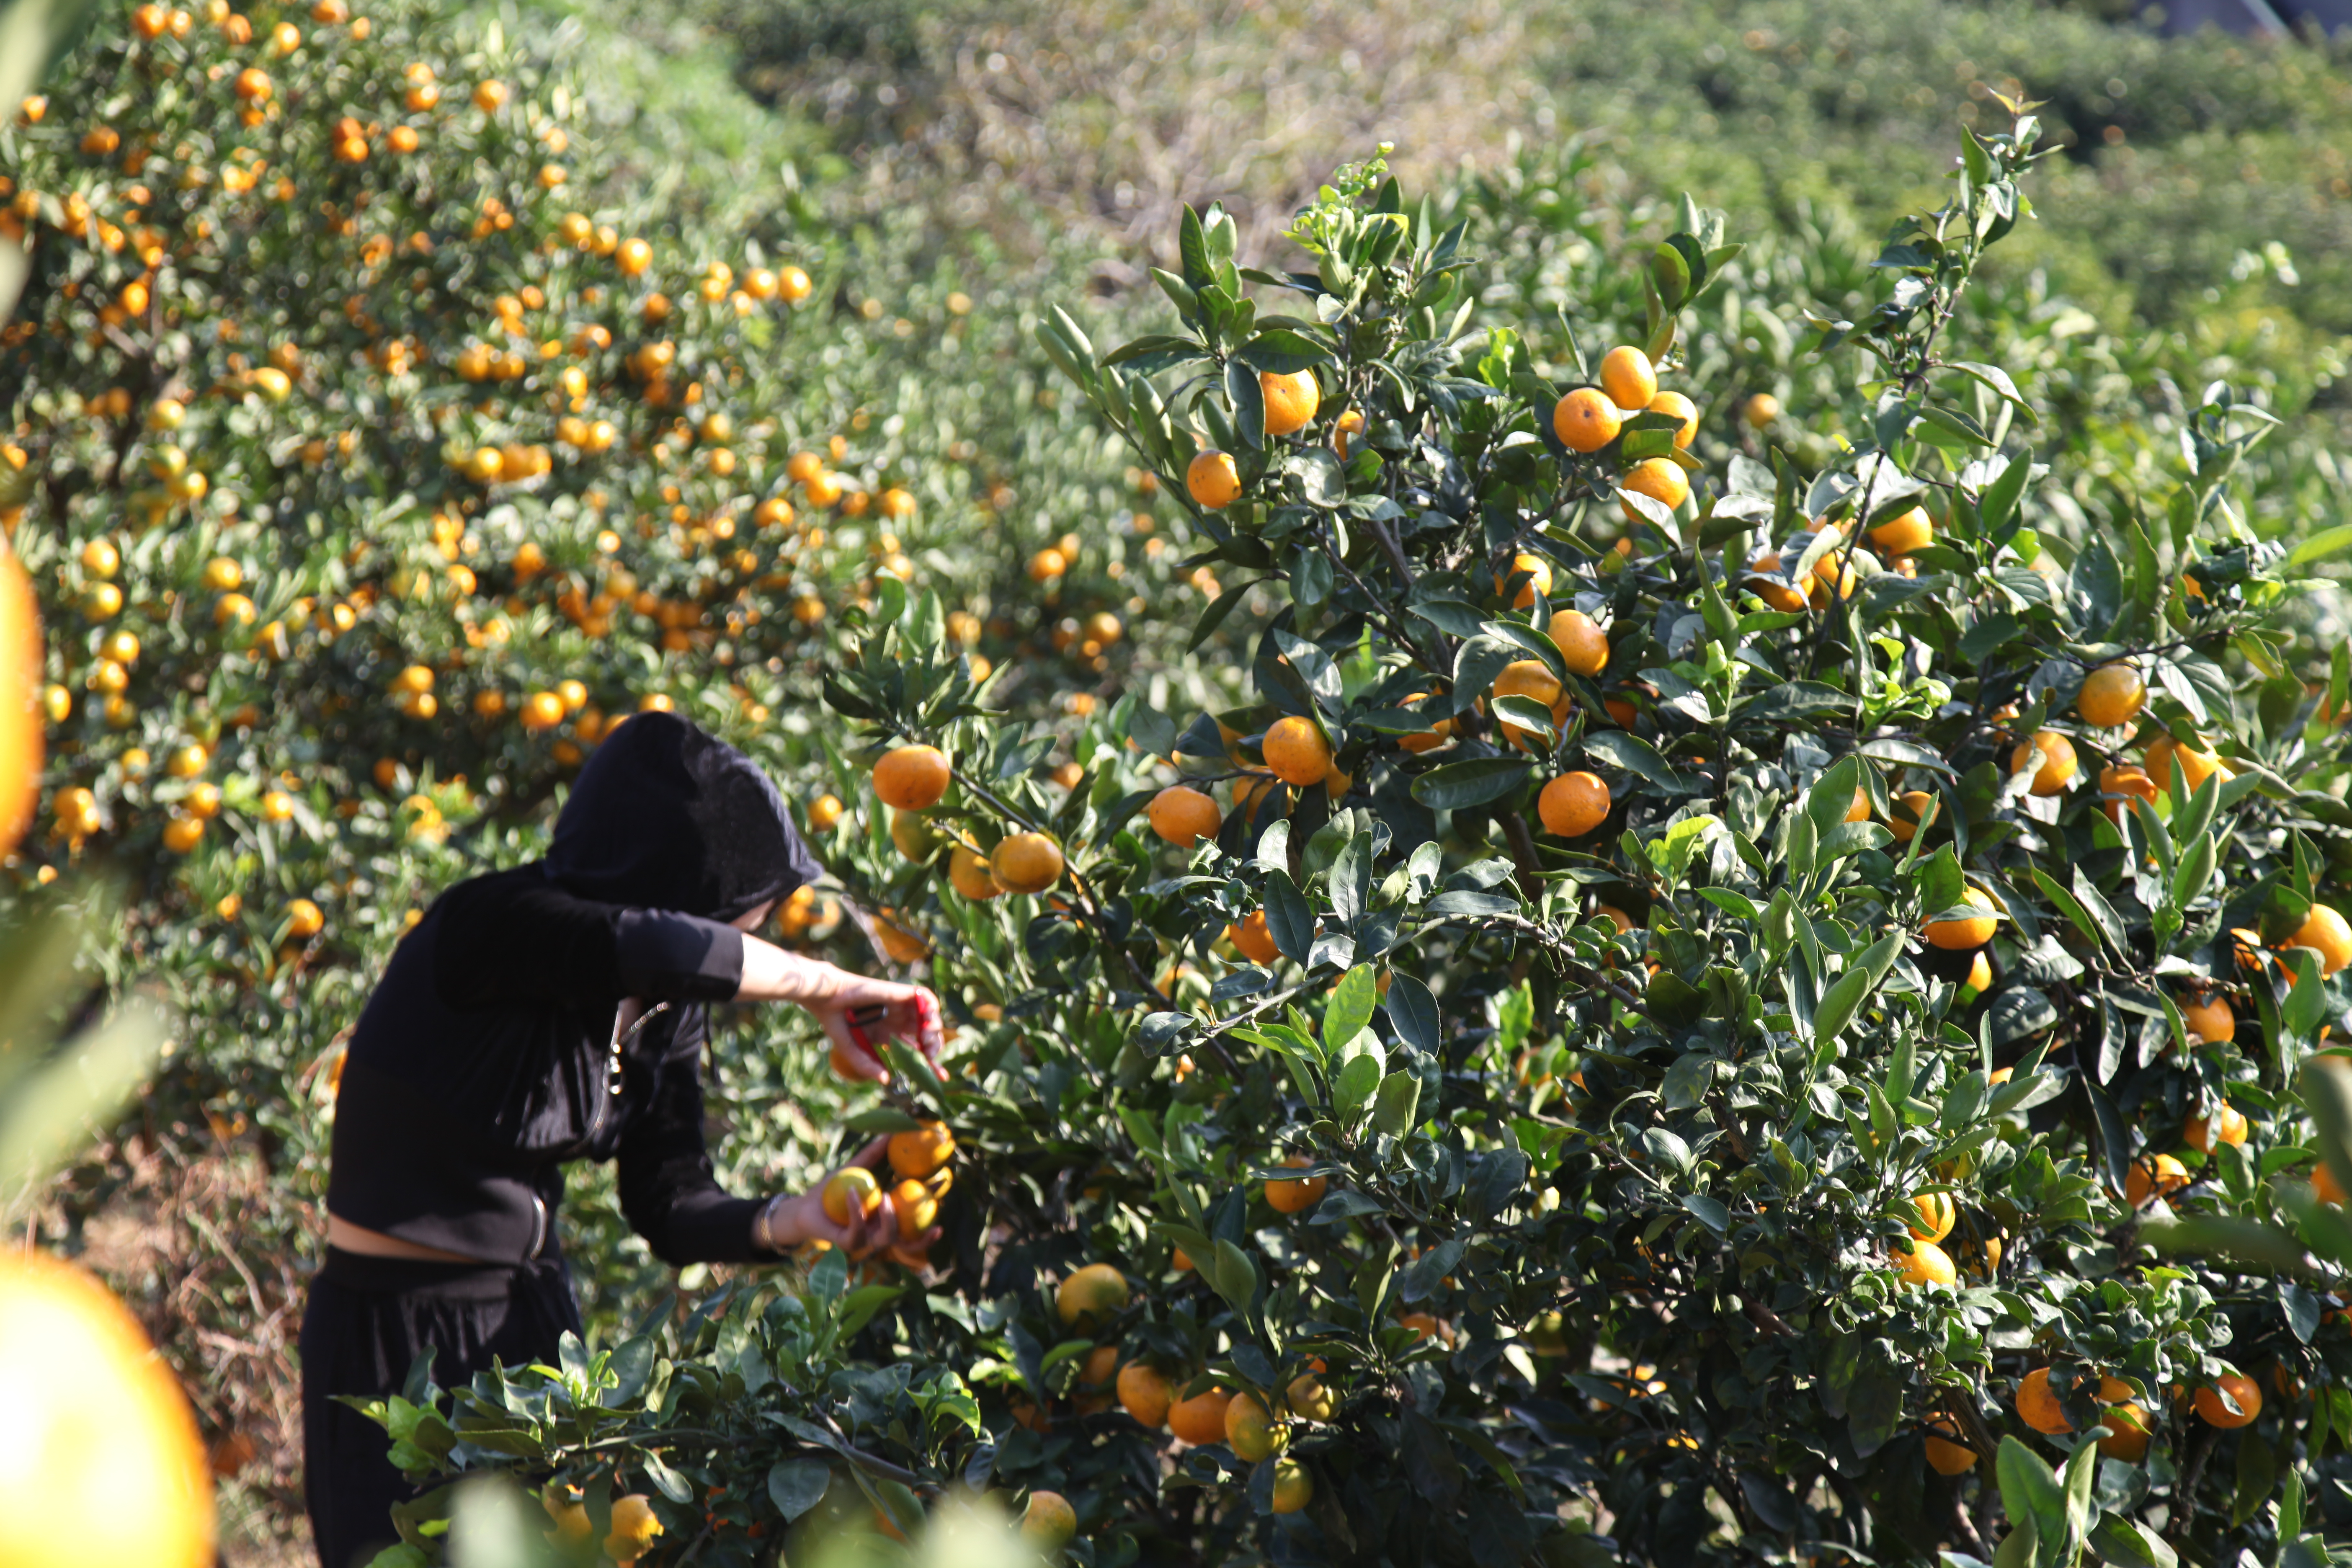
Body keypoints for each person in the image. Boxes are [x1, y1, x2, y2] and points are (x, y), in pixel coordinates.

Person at [298, 711, 940, 1568]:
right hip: (393, 1334)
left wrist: (803, 1219)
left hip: (529, 1322)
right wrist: (824, 985)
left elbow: (671, 1201)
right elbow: (651, 945)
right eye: (754, 911)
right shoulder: (494, 924)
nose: (760, 931)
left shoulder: (666, 1012)